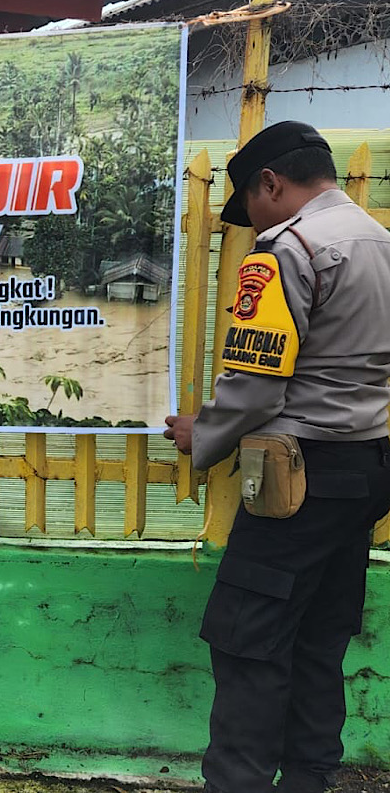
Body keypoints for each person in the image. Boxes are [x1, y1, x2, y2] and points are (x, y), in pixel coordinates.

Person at [164, 120, 390, 793]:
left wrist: (202, 436)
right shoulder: (380, 243)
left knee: (248, 643)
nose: (248, 223)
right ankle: (309, 781)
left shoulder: (287, 249)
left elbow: (258, 384)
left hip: (300, 479)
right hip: (368, 468)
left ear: (271, 182)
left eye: (250, 206)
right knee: (319, 644)